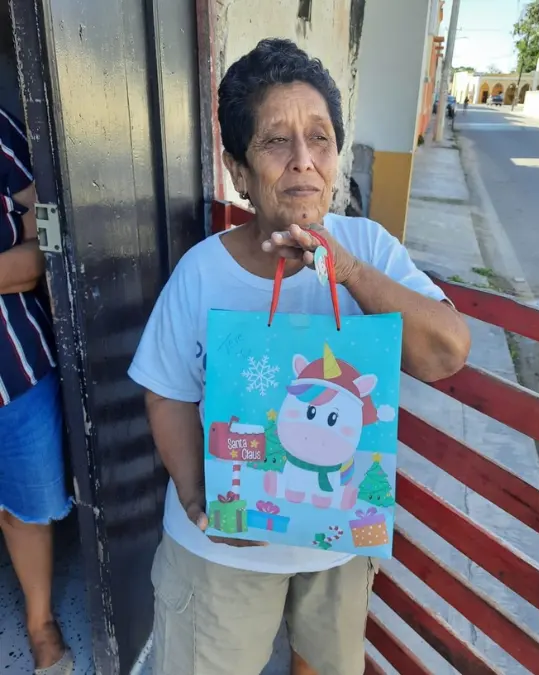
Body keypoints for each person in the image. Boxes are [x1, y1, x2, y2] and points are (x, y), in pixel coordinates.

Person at [128, 38, 471, 675]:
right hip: (224, 557)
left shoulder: (367, 245)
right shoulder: (202, 273)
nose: (303, 162)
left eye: (320, 138)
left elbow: (447, 353)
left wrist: (349, 272)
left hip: (335, 550)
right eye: (275, 142)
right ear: (238, 171)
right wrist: (200, 500)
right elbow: (165, 390)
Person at [0, 104, 73, 674]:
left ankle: (41, 621)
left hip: (13, 369)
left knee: (26, 509)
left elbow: (47, 227)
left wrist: (35, 253)